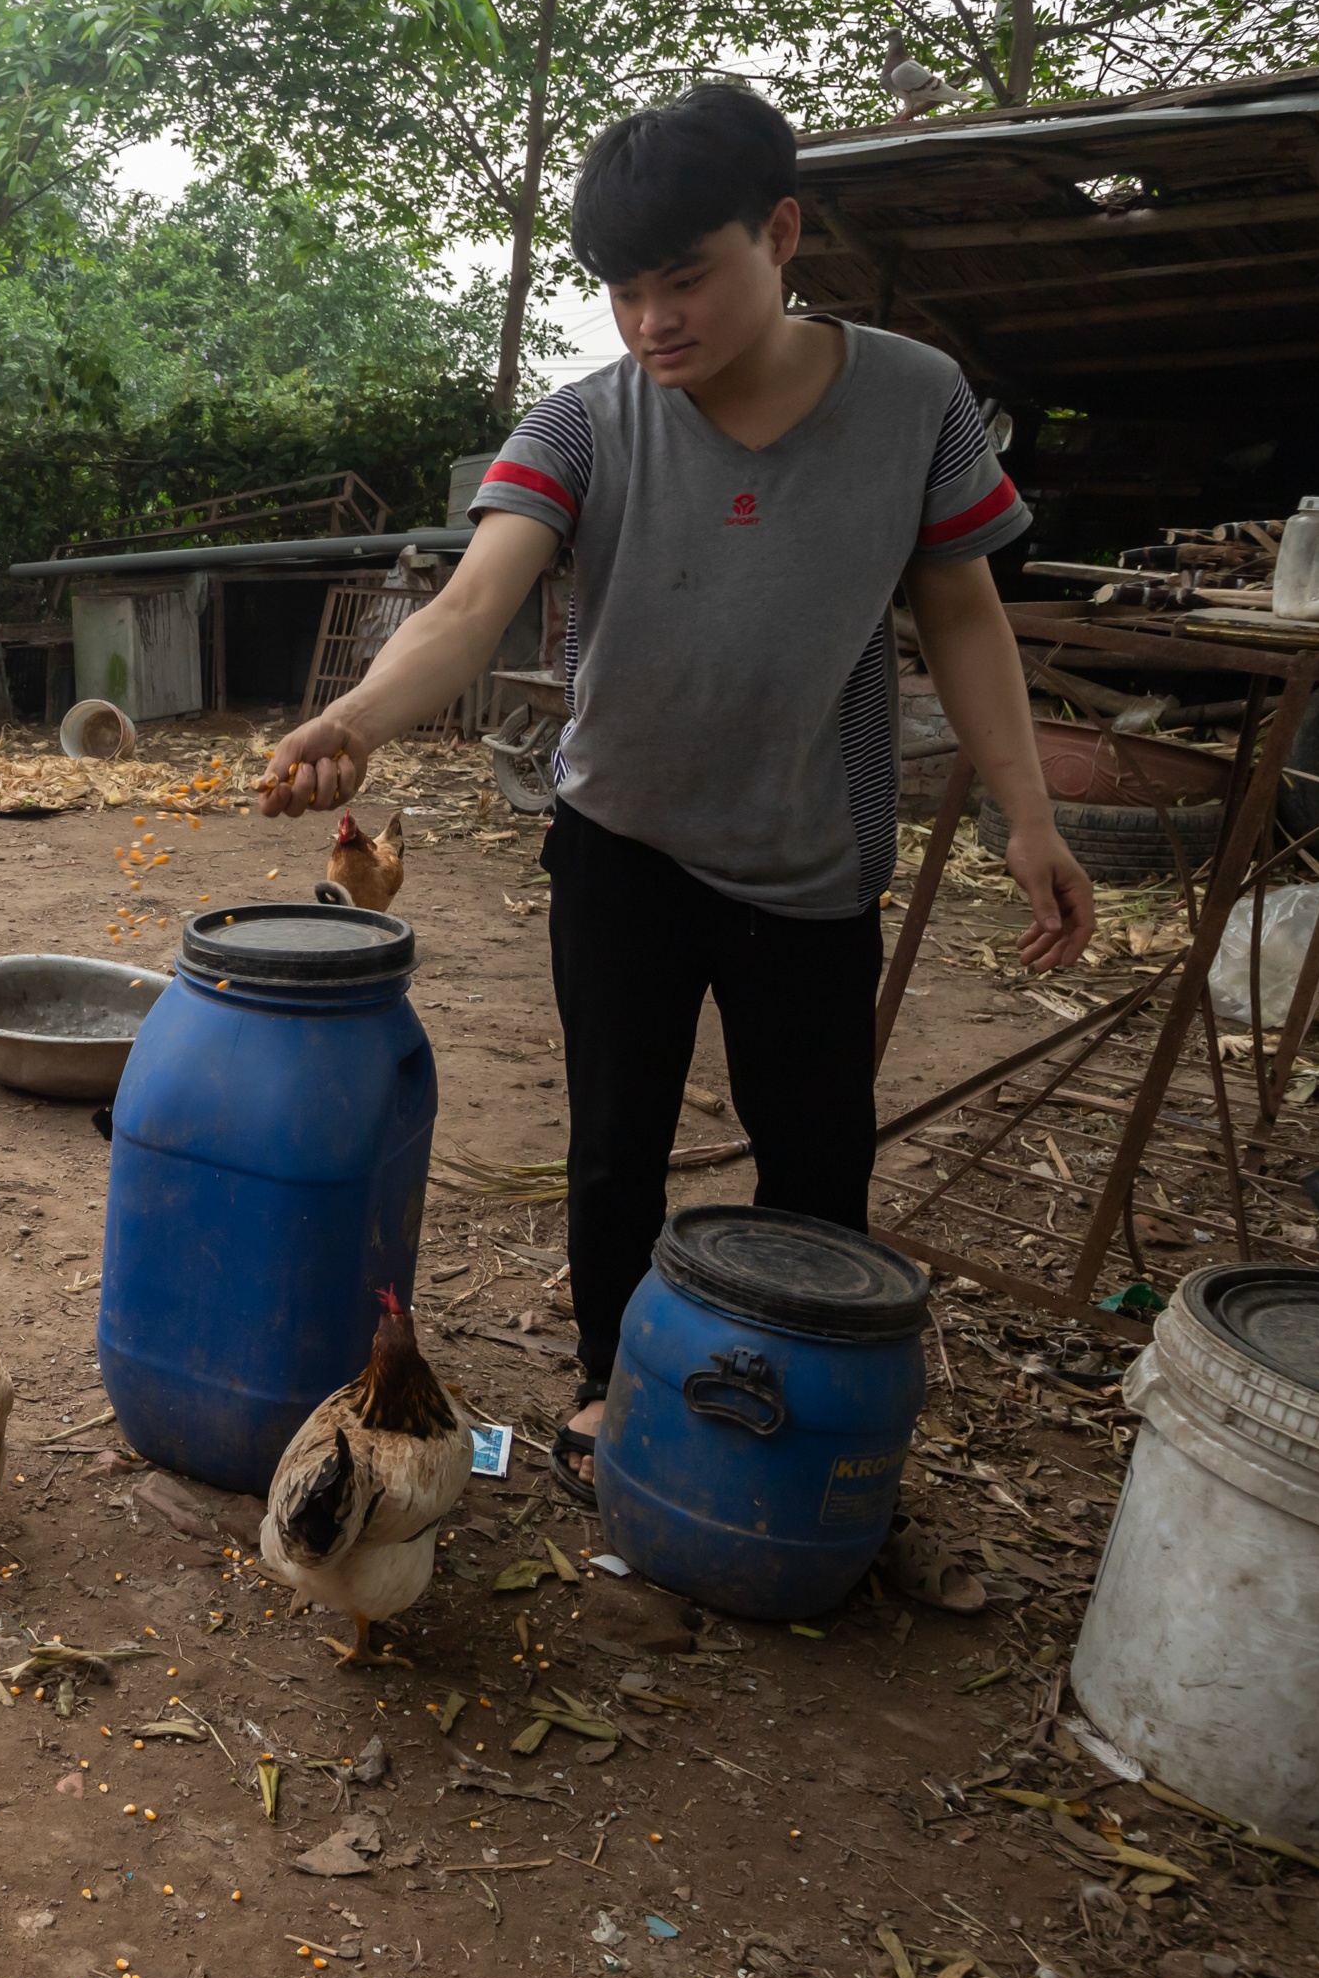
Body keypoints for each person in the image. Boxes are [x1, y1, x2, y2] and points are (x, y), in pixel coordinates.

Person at [258, 84, 1094, 1504]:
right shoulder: (586, 425)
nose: (654, 322)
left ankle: (796, 1408)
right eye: (625, 293)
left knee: (818, 1159)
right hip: (619, 850)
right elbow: (470, 609)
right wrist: (353, 718)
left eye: (685, 278)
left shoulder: (917, 403)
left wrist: (1028, 813)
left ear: (780, 233)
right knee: (613, 1151)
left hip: (810, 861)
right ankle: (606, 1385)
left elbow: (961, 612)